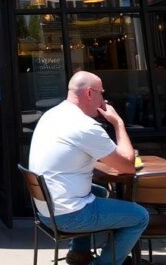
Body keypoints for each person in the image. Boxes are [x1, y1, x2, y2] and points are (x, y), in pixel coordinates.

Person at [28, 71, 148, 265]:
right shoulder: (85, 126)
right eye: (102, 93)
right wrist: (118, 124)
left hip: (46, 210)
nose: (104, 100)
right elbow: (128, 166)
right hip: (67, 215)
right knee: (140, 216)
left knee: (99, 192)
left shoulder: (51, 115)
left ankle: (79, 253)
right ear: (91, 93)